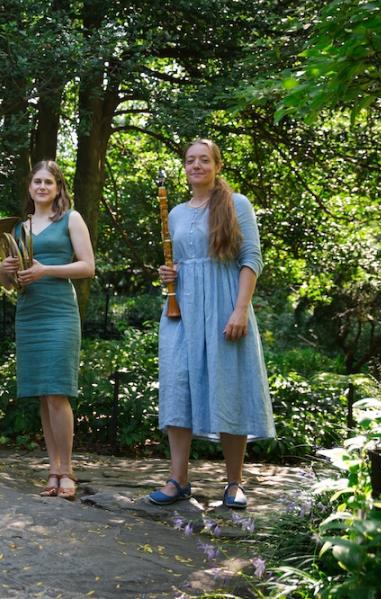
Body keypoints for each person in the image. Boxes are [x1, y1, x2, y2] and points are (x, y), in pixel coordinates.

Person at [149, 138, 275, 509]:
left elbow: (251, 259)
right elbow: (183, 265)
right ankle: (178, 480)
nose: (197, 166)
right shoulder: (175, 213)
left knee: (228, 383)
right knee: (178, 385)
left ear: (217, 165)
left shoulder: (237, 205)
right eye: (190, 160)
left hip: (224, 306)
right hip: (181, 312)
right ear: (184, 167)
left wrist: (240, 310)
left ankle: (234, 482)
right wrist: (167, 274)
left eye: (204, 160)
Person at [0, 160, 95, 500]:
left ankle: (68, 470)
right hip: (29, 312)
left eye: (48, 182)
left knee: (58, 391)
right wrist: (4, 268)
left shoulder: (71, 218)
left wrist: (46, 270)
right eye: (36, 181)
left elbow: (87, 266)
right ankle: (52, 469)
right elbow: (9, 285)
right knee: (43, 394)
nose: (41, 187)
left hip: (59, 312)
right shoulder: (20, 227)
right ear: (30, 187)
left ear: (58, 188)